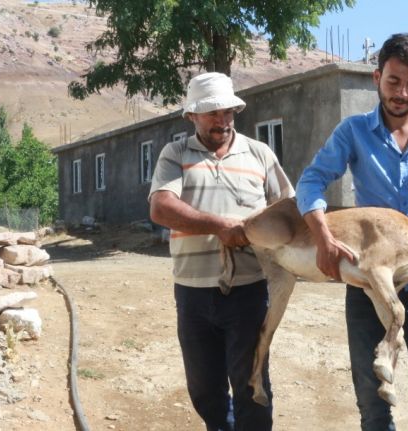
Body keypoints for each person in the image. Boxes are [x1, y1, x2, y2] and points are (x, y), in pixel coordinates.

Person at [295, 33, 408, 430]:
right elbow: (311, 181)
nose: (401, 93)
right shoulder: (352, 132)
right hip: (368, 280)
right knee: (372, 403)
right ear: (376, 77)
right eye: (393, 81)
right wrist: (322, 235)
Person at [149, 72, 294, 431]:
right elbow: (161, 208)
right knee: (205, 390)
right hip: (192, 293)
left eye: (228, 111)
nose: (222, 120)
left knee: (252, 385)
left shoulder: (259, 154)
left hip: (249, 291)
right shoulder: (176, 154)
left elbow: (289, 211)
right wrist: (220, 226)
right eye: (212, 112)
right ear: (192, 116)